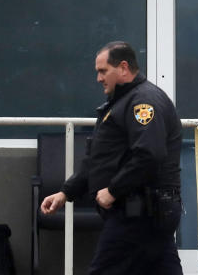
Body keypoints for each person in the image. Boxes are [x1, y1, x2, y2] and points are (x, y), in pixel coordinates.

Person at [40, 41, 183, 275]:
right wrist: (66, 193)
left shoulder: (142, 103)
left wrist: (114, 190)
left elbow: (149, 154)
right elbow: (101, 158)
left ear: (124, 68)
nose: (98, 78)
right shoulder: (121, 103)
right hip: (145, 211)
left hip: (140, 212)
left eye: (103, 71)